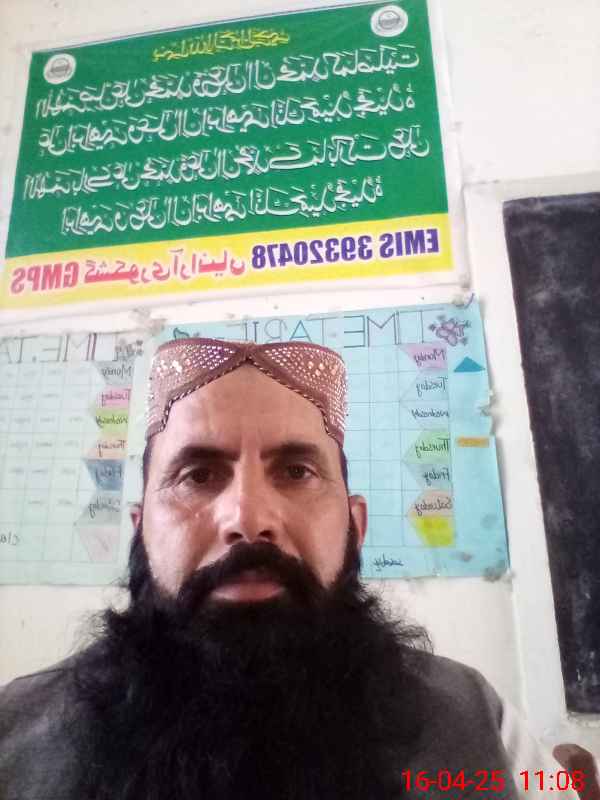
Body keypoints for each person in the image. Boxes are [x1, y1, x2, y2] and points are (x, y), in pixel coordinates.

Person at [0, 338, 575, 800]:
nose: (248, 519)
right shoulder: (14, 734)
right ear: (139, 529)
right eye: (198, 475)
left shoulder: (482, 722)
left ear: (355, 525)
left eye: (297, 471)